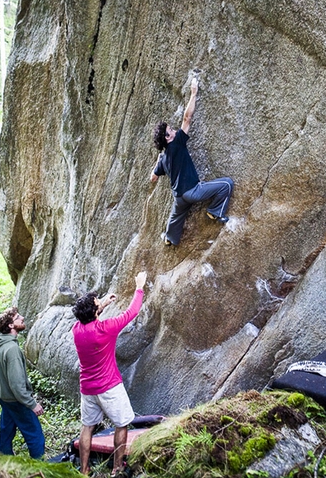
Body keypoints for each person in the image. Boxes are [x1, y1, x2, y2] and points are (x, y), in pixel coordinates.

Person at [72, 271, 147, 476]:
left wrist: (102, 304)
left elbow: (88, 318)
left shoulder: (76, 330)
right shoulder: (106, 329)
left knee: (87, 427)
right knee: (121, 424)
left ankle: (84, 470)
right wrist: (139, 287)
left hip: (87, 388)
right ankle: (116, 468)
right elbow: (131, 312)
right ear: (94, 312)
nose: (99, 302)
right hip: (110, 387)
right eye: (97, 302)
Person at [151, 77, 234, 246]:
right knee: (227, 184)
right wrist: (194, 93)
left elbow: (152, 178)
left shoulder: (163, 158)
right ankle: (215, 211)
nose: (174, 130)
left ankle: (169, 238)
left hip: (179, 198)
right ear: (168, 138)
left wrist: (159, 162)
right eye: (170, 130)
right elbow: (187, 118)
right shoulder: (177, 143)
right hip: (192, 191)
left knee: (176, 218)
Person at [0, 308, 45, 459]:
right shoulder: (12, 350)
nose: (22, 317)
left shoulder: (0, 346)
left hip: (4, 397)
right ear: (11, 325)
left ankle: (3, 463)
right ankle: (39, 469)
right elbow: (16, 384)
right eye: (17, 317)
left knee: (7, 431)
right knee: (35, 435)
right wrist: (32, 404)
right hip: (16, 400)